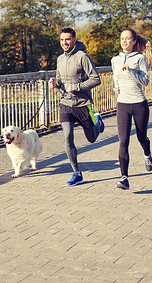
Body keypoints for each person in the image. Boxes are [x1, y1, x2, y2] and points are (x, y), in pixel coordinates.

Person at [49, 27, 105, 186]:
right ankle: (77, 173)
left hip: (82, 104)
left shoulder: (82, 57)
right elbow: (60, 81)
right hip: (65, 103)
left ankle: (97, 122)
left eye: (67, 39)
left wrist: (77, 87)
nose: (64, 42)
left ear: (74, 40)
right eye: (61, 40)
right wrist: (55, 84)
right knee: (67, 136)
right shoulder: (60, 59)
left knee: (92, 139)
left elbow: (96, 79)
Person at [111, 28, 152, 190]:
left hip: (139, 104)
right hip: (122, 104)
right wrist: (116, 88)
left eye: (128, 38)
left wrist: (131, 71)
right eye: (122, 38)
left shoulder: (139, 59)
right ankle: (124, 178)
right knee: (123, 141)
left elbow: (145, 81)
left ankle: (147, 153)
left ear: (134, 41)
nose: (124, 41)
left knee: (141, 137)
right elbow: (116, 78)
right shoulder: (115, 60)